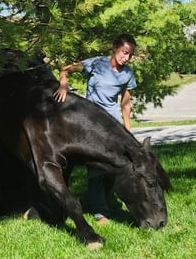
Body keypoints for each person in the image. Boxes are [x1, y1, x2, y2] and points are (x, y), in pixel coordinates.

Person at [53, 33, 138, 224]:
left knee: (118, 165)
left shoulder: (128, 74)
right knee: (95, 167)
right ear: (115, 48)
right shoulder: (96, 63)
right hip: (90, 120)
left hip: (112, 122)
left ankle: (105, 199)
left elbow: (125, 103)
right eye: (124, 52)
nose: (126, 58)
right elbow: (65, 69)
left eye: (130, 55)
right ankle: (100, 211)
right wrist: (64, 85)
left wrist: (127, 128)